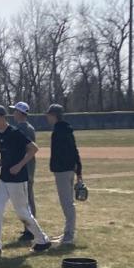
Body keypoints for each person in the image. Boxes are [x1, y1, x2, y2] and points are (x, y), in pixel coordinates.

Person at [0, 105, 50, 256]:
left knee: (23, 213)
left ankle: (42, 240)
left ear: (3, 117)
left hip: (18, 180)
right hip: (4, 179)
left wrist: (19, 165)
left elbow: (33, 149)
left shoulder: (15, 133)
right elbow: (3, 158)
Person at [47, 104, 83, 246]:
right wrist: (78, 170)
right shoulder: (65, 129)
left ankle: (69, 235)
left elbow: (67, 152)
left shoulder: (59, 131)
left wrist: (60, 166)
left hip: (63, 171)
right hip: (67, 170)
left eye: (49, 114)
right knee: (67, 203)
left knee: (67, 203)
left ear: (54, 115)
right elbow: (74, 150)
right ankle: (67, 232)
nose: (47, 117)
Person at [10, 101, 37, 241]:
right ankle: (28, 228)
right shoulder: (28, 127)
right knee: (26, 199)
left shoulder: (22, 128)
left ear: (20, 113)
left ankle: (31, 230)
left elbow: (27, 150)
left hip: (24, 168)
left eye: (15, 111)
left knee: (27, 200)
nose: (13, 113)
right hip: (27, 167)